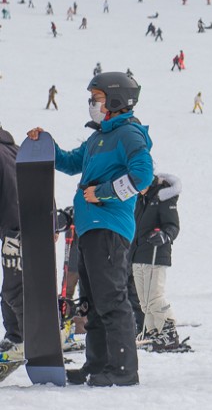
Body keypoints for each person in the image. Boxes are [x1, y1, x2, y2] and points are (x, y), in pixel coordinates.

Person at [28, 71, 153, 387]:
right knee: (92, 302)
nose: (91, 104)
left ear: (114, 100)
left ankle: (124, 369)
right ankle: (97, 364)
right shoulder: (99, 137)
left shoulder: (128, 134)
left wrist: (103, 192)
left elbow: (143, 176)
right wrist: (45, 144)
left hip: (109, 228)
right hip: (89, 229)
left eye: (96, 98)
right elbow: (71, 162)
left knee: (110, 298)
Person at [131, 173, 182, 351]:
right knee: (143, 300)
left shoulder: (163, 196)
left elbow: (173, 225)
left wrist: (165, 235)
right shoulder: (139, 199)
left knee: (155, 296)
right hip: (137, 254)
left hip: (155, 252)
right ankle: (153, 331)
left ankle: (169, 332)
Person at [0, 125, 23, 363]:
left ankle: (23, 338)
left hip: (13, 230)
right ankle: (17, 336)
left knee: (14, 288)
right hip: (29, 227)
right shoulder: (16, 149)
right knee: (15, 284)